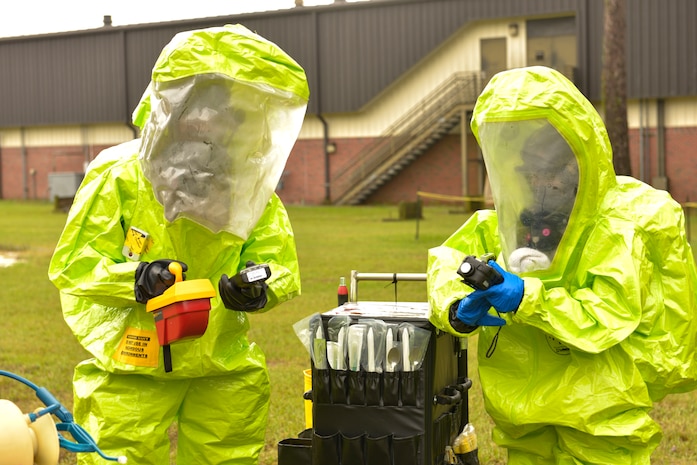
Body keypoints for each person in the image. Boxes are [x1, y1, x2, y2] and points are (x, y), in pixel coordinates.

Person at [48, 24, 309, 465]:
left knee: (225, 456)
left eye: (227, 111)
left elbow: (276, 261)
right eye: (200, 107)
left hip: (221, 363)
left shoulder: (247, 187)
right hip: (134, 360)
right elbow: (74, 263)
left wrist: (256, 287)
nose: (211, 124)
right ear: (170, 108)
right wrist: (137, 278)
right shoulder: (119, 174)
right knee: (119, 458)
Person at [427, 66, 697, 464]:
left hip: (596, 406)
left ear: (581, 164)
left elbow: (608, 312)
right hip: (520, 407)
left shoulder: (615, 231)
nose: (541, 185)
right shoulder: (500, 227)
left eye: (553, 173)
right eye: (532, 173)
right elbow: (446, 266)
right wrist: (458, 311)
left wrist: (524, 297)